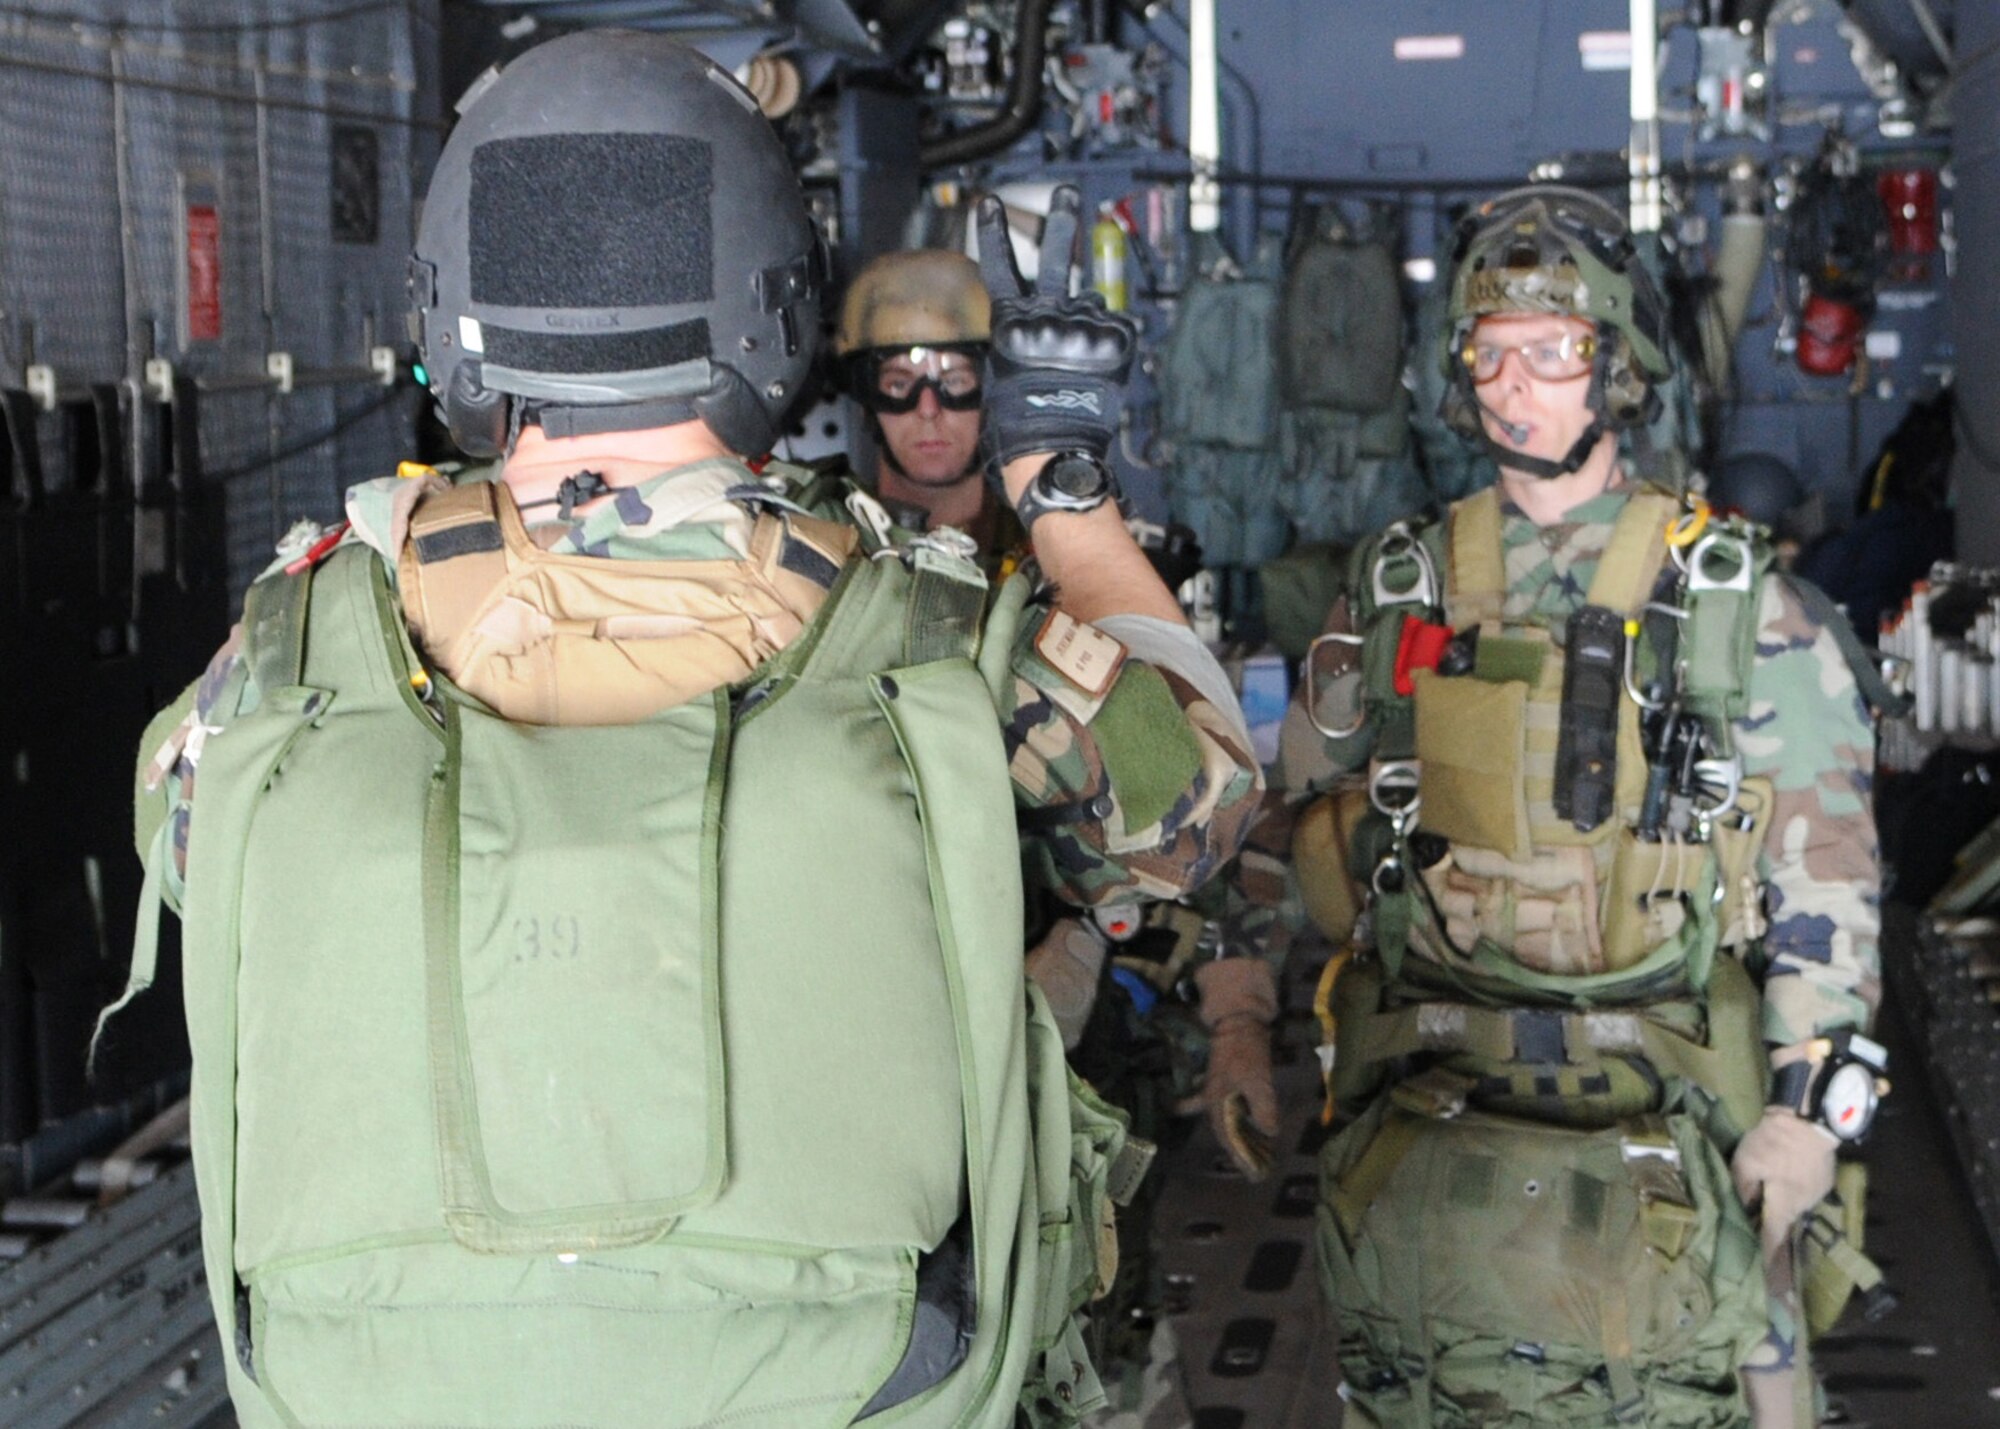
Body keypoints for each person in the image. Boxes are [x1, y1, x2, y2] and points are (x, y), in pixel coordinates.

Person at [112, 32, 1260, 1428]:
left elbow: (188, 858)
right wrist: (1062, 501)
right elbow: (1195, 813)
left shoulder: (296, 636)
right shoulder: (929, 627)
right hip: (849, 1378)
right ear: (774, 298)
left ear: (453, 302)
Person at [1288, 186, 1886, 1428]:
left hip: (1671, 1083)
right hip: (1437, 1094)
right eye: (1488, 349)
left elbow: (1820, 868)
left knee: (1744, 1369)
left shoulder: (1728, 598)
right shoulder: (1399, 582)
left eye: (1551, 351)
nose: (1514, 383)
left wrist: (1802, 1107)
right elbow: (1306, 815)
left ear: (1613, 368)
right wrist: (1246, 1014)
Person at [834, 248, 1025, 568]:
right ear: (868, 401)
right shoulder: (829, 542)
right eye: (899, 384)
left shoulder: (1043, 549)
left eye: (954, 381)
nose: (928, 408)